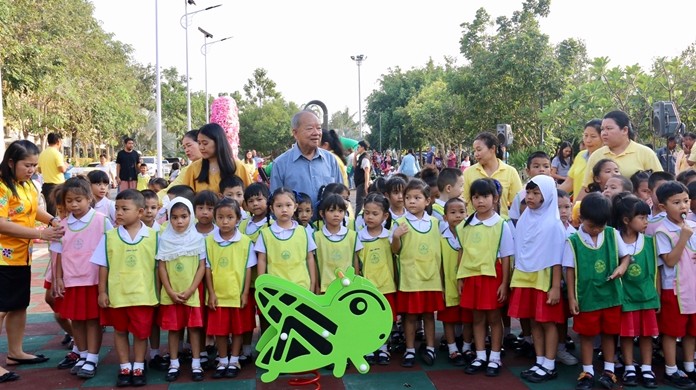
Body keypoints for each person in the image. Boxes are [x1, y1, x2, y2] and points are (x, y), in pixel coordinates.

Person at [0, 140, 64, 383]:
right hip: (3, 256)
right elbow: (1, 222)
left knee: (18, 305)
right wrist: (40, 233)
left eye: (34, 166)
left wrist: (51, 220)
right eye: (27, 165)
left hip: (21, 255)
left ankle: (15, 352)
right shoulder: (2, 187)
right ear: (11, 162)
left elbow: (33, 210)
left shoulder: (26, 185)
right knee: (2, 308)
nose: (32, 170)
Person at [563, 193, 630, 390]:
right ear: (581, 219)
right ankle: (587, 372)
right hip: (587, 297)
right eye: (592, 226)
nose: (597, 230)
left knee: (610, 334)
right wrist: (571, 298)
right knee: (587, 335)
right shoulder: (573, 241)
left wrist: (622, 267)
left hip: (611, 296)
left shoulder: (612, 234)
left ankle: (609, 371)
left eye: (600, 226)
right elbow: (569, 270)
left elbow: (626, 257)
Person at [92, 190, 158, 387]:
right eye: (117, 208)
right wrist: (102, 291)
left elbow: (159, 268)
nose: (119, 213)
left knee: (141, 333)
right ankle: (124, 367)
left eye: (124, 209)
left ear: (139, 212)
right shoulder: (109, 237)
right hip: (118, 296)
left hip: (144, 296)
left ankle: (138, 365)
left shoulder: (154, 236)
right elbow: (103, 266)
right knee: (120, 331)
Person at [51, 177, 113, 379]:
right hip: (71, 281)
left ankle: (92, 358)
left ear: (88, 198)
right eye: (69, 201)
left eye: (78, 200)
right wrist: (58, 278)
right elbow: (58, 253)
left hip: (93, 281)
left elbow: (111, 249)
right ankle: (83, 354)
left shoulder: (101, 220)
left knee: (93, 321)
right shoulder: (62, 225)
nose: (74, 205)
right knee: (76, 320)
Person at [509, 176, 566, 384]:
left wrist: (555, 287)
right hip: (526, 276)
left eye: (536, 193)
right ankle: (540, 360)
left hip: (545, 278)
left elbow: (557, 260)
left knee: (547, 322)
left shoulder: (553, 224)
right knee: (534, 320)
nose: (530, 197)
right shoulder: (526, 218)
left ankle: (550, 364)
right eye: (528, 193)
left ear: (548, 195)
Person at [457, 178, 513, 377]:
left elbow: (506, 257)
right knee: (477, 318)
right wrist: (460, 279)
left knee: (494, 319)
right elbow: (462, 253)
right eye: (476, 197)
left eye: (485, 196)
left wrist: (504, 284)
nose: (480, 201)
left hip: (492, 277)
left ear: (495, 198)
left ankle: (495, 357)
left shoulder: (501, 224)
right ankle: (480, 356)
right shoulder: (466, 225)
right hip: (472, 277)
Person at [391, 179, 444, 368]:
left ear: (427, 201)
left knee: (429, 315)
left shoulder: (436, 222)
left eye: (417, 197)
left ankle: (430, 347)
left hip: (431, 278)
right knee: (410, 316)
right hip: (410, 278)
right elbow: (395, 250)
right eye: (408, 198)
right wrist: (396, 237)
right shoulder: (399, 223)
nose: (411, 201)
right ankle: (410, 348)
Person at [611, 194, 659, 388]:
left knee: (647, 335)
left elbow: (656, 272)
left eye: (646, 217)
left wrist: (658, 298)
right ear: (626, 220)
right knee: (627, 335)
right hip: (626, 298)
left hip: (647, 297)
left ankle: (647, 367)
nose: (646, 222)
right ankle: (629, 366)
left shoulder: (649, 242)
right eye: (641, 218)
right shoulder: (613, 241)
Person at [156, 197, 206, 382]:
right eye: (174, 217)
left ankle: (196, 363)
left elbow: (202, 266)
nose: (179, 221)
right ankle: (174, 363)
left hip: (191, 294)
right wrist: (169, 290)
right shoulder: (164, 239)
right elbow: (161, 267)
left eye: (184, 216)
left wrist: (192, 289)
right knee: (174, 330)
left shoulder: (198, 239)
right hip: (171, 295)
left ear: (191, 216)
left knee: (193, 329)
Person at [206, 199, 256, 379]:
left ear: (238, 219)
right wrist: (211, 293)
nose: (225, 221)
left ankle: (234, 359)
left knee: (237, 329)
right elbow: (207, 268)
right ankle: (222, 360)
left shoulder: (245, 242)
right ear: (215, 218)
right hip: (218, 295)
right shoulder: (210, 241)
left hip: (237, 294)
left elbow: (248, 268)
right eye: (220, 217)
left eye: (229, 217)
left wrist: (244, 293)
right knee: (220, 330)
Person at [654, 181, 696, 388]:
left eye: (686, 201)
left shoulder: (694, 226)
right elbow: (669, 261)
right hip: (674, 289)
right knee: (671, 331)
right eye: (676, 202)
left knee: (692, 331)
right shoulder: (662, 231)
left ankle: (689, 366)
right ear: (663, 207)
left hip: (694, 287)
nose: (683, 206)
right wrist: (683, 239)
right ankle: (671, 369)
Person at [580, 111, 663, 199]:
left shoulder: (645, 153)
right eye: (602, 129)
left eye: (609, 128)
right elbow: (586, 188)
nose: (604, 133)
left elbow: (660, 184)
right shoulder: (596, 155)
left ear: (624, 130)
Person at [269, 111, 342, 205]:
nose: (316, 133)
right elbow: (276, 203)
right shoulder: (280, 164)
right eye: (310, 128)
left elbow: (341, 196)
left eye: (319, 128)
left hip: (326, 220)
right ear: (295, 133)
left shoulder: (331, 160)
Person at [357, 193, 396, 365]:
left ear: (385, 216)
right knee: (367, 319)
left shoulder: (389, 236)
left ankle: (383, 347)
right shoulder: (358, 236)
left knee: (384, 319)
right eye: (367, 213)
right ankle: (369, 346)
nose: (370, 217)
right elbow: (356, 262)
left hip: (386, 285)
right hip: (367, 287)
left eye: (375, 213)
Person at [255, 188, 317, 292]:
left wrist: (313, 283)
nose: (284, 209)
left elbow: (310, 258)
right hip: (275, 290)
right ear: (272, 208)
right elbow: (262, 260)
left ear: (295, 207)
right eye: (279, 206)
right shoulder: (265, 234)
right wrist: (261, 286)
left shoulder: (303, 232)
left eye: (288, 205)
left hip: (301, 288)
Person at [438, 197, 474, 366]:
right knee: (449, 318)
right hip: (449, 285)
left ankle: (467, 347)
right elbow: (439, 265)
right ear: (445, 217)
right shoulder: (441, 238)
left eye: (461, 212)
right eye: (452, 212)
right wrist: (442, 287)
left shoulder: (470, 235)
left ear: (467, 214)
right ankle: (452, 349)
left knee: (468, 318)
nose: (458, 216)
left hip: (467, 285)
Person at [179, 123, 252, 195]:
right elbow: (185, 198)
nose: (201, 147)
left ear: (218, 142)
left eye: (205, 143)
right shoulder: (193, 168)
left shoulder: (238, 167)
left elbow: (250, 198)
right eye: (199, 143)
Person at [462, 132, 522, 218]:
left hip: (501, 226)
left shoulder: (510, 172)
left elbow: (517, 204)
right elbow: (464, 201)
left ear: (493, 149)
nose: (476, 154)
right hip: (475, 226)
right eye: (474, 150)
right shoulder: (468, 173)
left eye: (479, 150)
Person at [313, 194, 361, 293]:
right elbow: (315, 264)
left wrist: (355, 283)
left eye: (340, 211)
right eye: (331, 210)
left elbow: (355, 260)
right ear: (322, 213)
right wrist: (316, 286)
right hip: (325, 288)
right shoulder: (316, 237)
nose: (336, 214)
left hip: (348, 287)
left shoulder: (352, 236)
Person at [559, 119, 603, 197]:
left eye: (593, 136)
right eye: (585, 135)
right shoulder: (580, 156)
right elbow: (568, 183)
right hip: (577, 207)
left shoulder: (606, 159)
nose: (588, 140)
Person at [38, 133, 67, 216]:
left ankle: (50, 227)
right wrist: (65, 166)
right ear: (58, 141)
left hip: (46, 186)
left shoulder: (42, 154)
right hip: (58, 185)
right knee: (60, 211)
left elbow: (39, 170)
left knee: (49, 212)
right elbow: (62, 169)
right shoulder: (57, 154)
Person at [353, 140, 371, 215]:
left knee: (359, 204)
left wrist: (366, 185)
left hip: (362, 183)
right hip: (360, 183)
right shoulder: (361, 157)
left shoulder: (365, 158)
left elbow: (366, 171)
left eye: (359, 147)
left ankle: (357, 220)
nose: (357, 149)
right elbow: (354, 166)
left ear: (363, 147)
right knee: (360, 203)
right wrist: (355, 156)